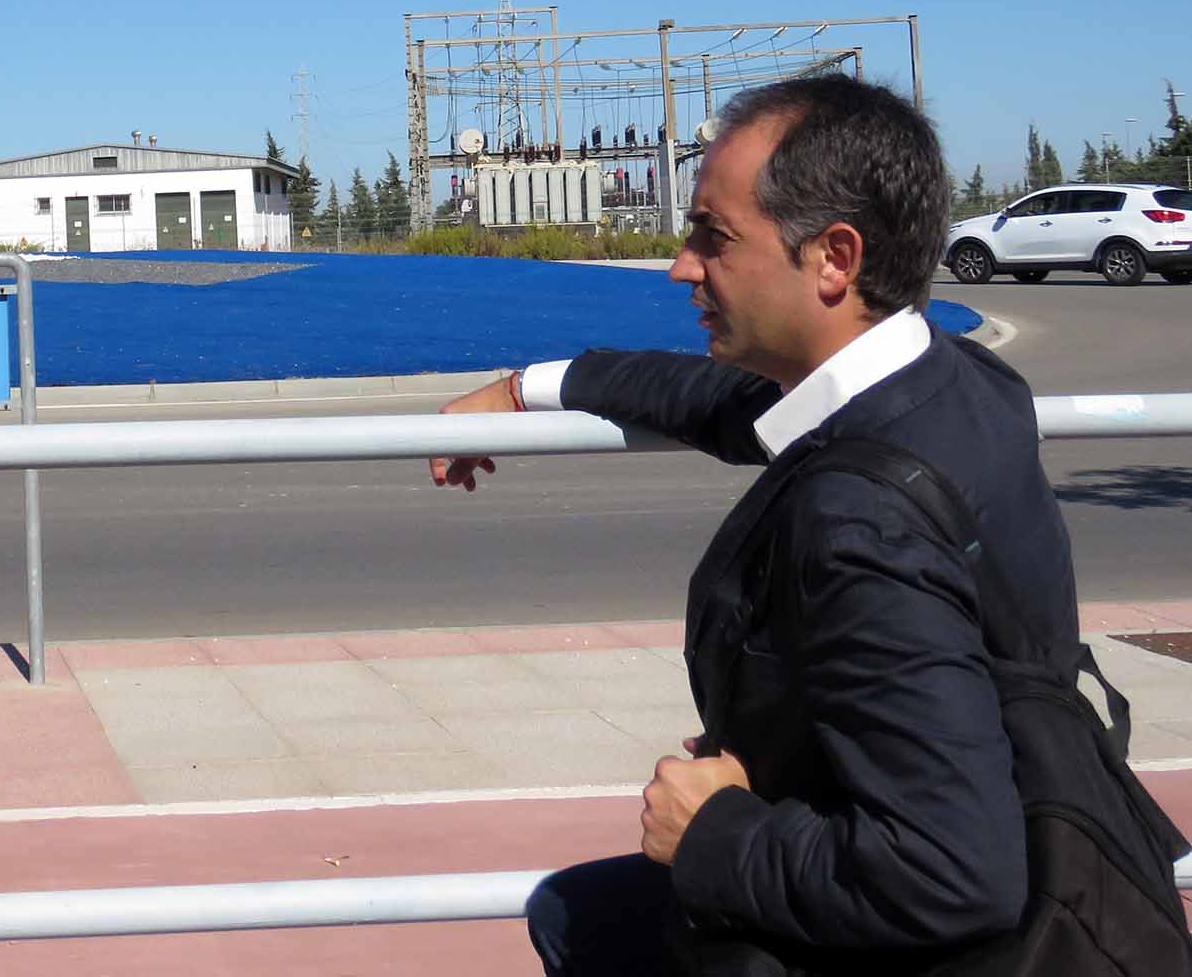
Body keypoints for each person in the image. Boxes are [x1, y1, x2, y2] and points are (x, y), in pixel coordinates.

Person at [434, 74, 1080, 973]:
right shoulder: (954, 385)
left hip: (908, 933)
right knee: (580, 909)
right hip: (1047, 838)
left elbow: (951, 873)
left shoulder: (861, 519)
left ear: (833, 258)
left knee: (581, 918)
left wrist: (710, 832)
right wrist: (528, 387)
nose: (680, 265)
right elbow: (728, 401)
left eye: (713, 237)